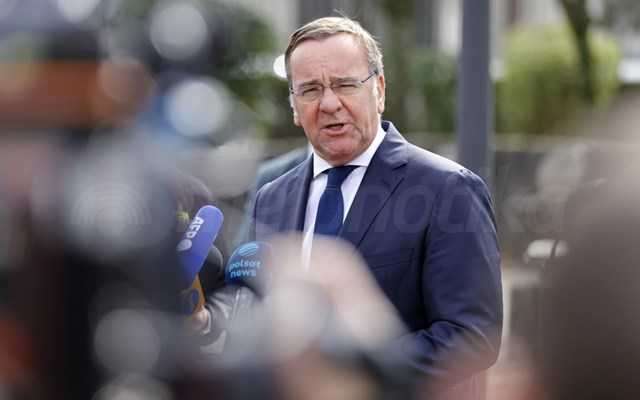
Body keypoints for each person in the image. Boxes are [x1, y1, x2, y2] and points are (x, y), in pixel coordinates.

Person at [249, 16, 502, 398]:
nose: (329, 103)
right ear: (294, 107)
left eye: (345, 85)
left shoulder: (448, 189)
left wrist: (360, 373)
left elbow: (473, 335)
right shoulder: (271, 198)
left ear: (379, 90)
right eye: (311, 90)